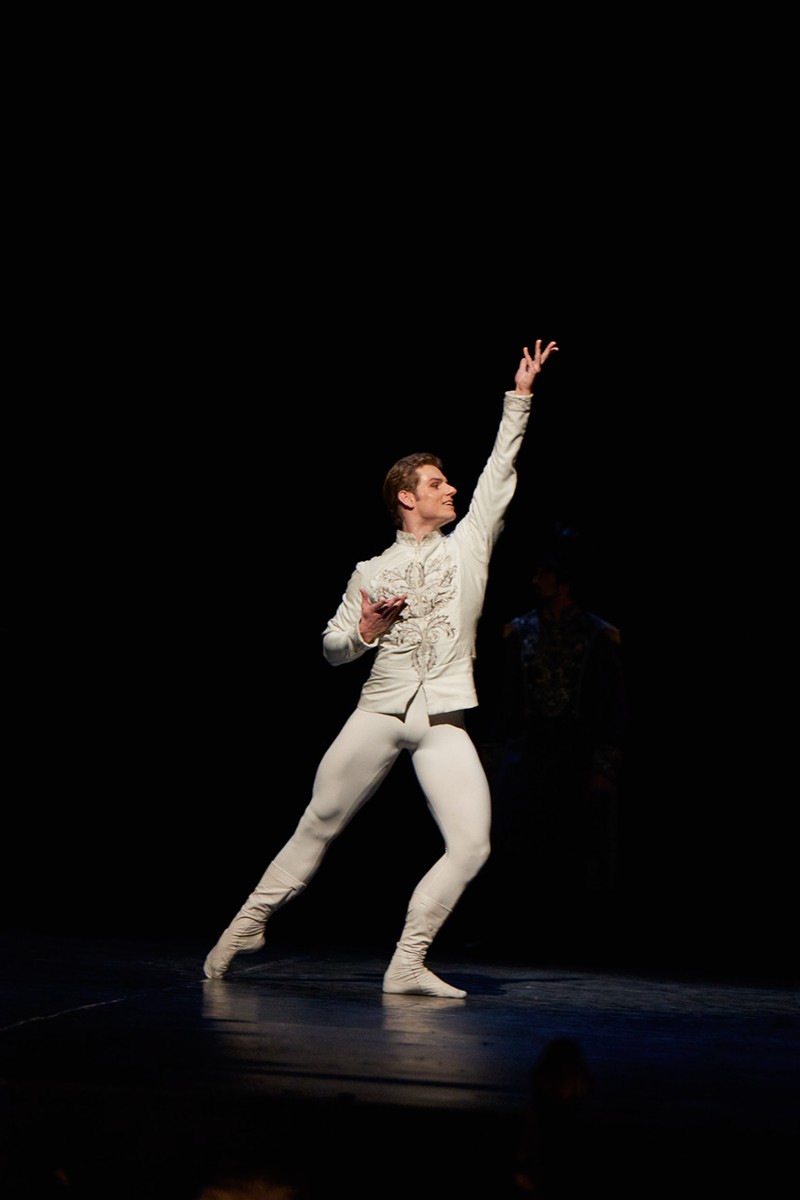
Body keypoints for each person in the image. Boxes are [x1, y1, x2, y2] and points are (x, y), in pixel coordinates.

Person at [203, 339, 560, 997]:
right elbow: (331, 647)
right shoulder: (370, 571)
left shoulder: (469, 548)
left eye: (448, 480)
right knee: (318, 822)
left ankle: (407, 961)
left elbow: (498, 471)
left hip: (443, 720)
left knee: (472, 845)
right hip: (378, 712)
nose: (450, 488)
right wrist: (363, 633)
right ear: (405, 497)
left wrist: (521, 399)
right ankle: (241, 929)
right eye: (435, 482)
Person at [480, 528, 626, 954]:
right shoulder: (519, 631)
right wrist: (494, 753)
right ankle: (512, 933)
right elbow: (504, 698)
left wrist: (603, 765)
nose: (534, 581)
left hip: (574, 755)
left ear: (563, 582)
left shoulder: (599, 636)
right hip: (527, 754)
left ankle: (573, 938)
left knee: (575, 846)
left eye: (544, 574)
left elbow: (612, 705)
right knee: (518, 842)